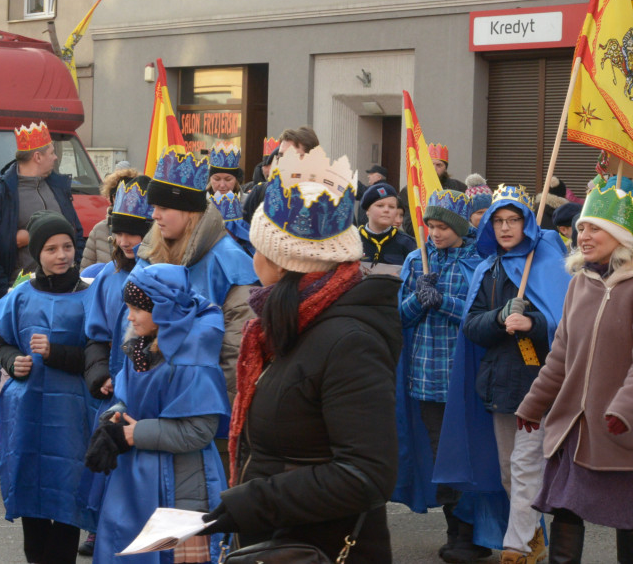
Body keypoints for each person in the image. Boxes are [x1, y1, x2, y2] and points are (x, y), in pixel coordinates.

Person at [199, 146, 400, 562]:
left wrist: (254, 501)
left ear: (281, 262)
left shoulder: (348, 341)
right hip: (277, 541)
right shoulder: (285, 326)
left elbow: (365, 475)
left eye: (258, 248)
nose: (251, 259)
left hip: (320, 550)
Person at [436, 184, 568, 564]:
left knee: (526, 467)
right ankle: (533, 537)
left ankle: (517, 547)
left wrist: (533, 321)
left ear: (526, 222)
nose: (506, 228)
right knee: (510, 471)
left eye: (513, 220)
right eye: (498, 221)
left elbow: (567, 322)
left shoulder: (548, 262)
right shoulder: (486, 268)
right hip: (498, 385)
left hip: (539, 384)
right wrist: (498, 318)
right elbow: (471, 326)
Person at [517, 177, 633, 564]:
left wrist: (624, 409)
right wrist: (533, 404)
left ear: (620, 235)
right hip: (575, 424)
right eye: (581, 227)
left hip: (621, 429)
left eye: (594, 227)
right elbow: (561, 354)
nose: (583, 235)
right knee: (565, 507)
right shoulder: (578, 284)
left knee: (628, 517)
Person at [87, 264, 229, 564]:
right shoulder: (141, 348)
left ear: (163, 309)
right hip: (137, 479)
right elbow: (127, 397)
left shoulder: (192, 359)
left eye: (137, 308)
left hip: (181, 487)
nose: (129, 316)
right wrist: (113, 417)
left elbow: (199, 431)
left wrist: (132, 434)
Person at [0, 210, 96, 564]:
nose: (62, 255)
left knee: (68, 488)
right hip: (28, 411)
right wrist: (11, 361)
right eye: (51, 249)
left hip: (72, 412)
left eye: (67, 247)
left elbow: (98, 357)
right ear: (38, 254)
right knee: (31, 483)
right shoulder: (20, 296)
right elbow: (3, 342)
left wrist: (56, 354)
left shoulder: (90, 298)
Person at [393, 189, 486, 563]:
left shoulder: (480, 261)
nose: (435, 233)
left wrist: (444, 303)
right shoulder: (417, 259)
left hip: (465, 378)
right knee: (439, 457)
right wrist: (419, 299)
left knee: (468, 457)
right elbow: (399, 316)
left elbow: (483, 317)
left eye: (443, 227)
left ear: (460, 227)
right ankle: (455, 532)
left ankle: (472, 534)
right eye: (430, 226)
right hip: (424, 376)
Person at [138, 146, 257, 403]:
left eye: (163, 207)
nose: (154, 215)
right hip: (148, 395)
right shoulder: (150, 253)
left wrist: (201, 406)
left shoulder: (231, 263)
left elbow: (236, 350)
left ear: (189, 211)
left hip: (199, 404)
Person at [81, 174, 155, 556]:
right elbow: (94, 335)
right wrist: (98, 372)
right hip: (111, 386)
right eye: (120, 233)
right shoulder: (108, 279)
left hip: (144, 388)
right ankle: (99, 525)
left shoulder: (160, 278)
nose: (126, 241)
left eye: (135, 233)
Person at [0, 120, 84, 308]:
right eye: (52, 152)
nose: (56, 157)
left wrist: (74, 274)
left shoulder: (59, 188)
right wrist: (4, 293)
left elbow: (77, 233)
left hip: (63, 292)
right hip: (19, 294)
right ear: (38, 157)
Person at [80, 166, 139, 271]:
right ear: (111, 198)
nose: (125, 200)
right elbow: (85, 273)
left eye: (130, 195)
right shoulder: (99, 230)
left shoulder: (149, 230)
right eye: (119, 195)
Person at [358, 182, 416, 268]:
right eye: (380, 206)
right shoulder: (353, 240)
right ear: (367, 210)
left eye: (392, 207)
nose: (386, 210)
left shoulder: (407, 243)